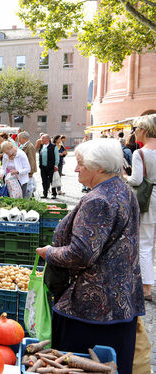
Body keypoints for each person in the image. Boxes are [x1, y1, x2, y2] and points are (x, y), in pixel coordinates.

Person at [36, 138, 144, 374]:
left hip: (93, 308)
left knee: (83, 364)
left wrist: (49, 252)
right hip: (120, 300)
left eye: (81, 164)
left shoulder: (97, 200)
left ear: (99, 168)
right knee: (116, 363)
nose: (75, 168)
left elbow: (81, 254)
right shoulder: (123, 189)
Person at [126, 114, 156, 301]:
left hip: (149, 200)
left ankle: (146, 287)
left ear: (143, 130)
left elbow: (136, 180)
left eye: (136, 128)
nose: (134, 131)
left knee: (144, 244)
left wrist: (124, 176)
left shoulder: (141, 153)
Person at [38, 134, 59, 199]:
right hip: (43, 167)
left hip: (51, 166)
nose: (41, 140)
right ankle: (45, 193)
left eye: (42, 138)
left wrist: (56, 165)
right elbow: (40, 156)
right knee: (44, 180)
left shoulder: (53, 146)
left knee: (52, 180)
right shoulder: (42, 146)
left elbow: (57, 156)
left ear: (47, 139)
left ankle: (54, 194)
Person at [18, 131, 37, 197]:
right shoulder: (24, 145)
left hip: (28, 171)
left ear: (24, 138)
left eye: (19, 138)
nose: (18, 140)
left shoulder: (29, 146)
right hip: (24, 170)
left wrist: (31, 172)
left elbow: (31, 160)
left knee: (28, 189)